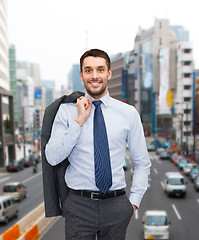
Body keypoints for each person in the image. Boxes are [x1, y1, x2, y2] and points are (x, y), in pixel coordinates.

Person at [45, 49, 151, 240]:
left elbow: (143, 162)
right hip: (79, 205)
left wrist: (133, 203)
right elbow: (52, 157)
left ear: (109, 73)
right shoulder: (66, 111)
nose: (95, 76)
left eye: (100, 70)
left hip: (116, 205)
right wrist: (79, 121)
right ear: (81, 75)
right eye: (88, 70)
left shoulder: (128, 113)